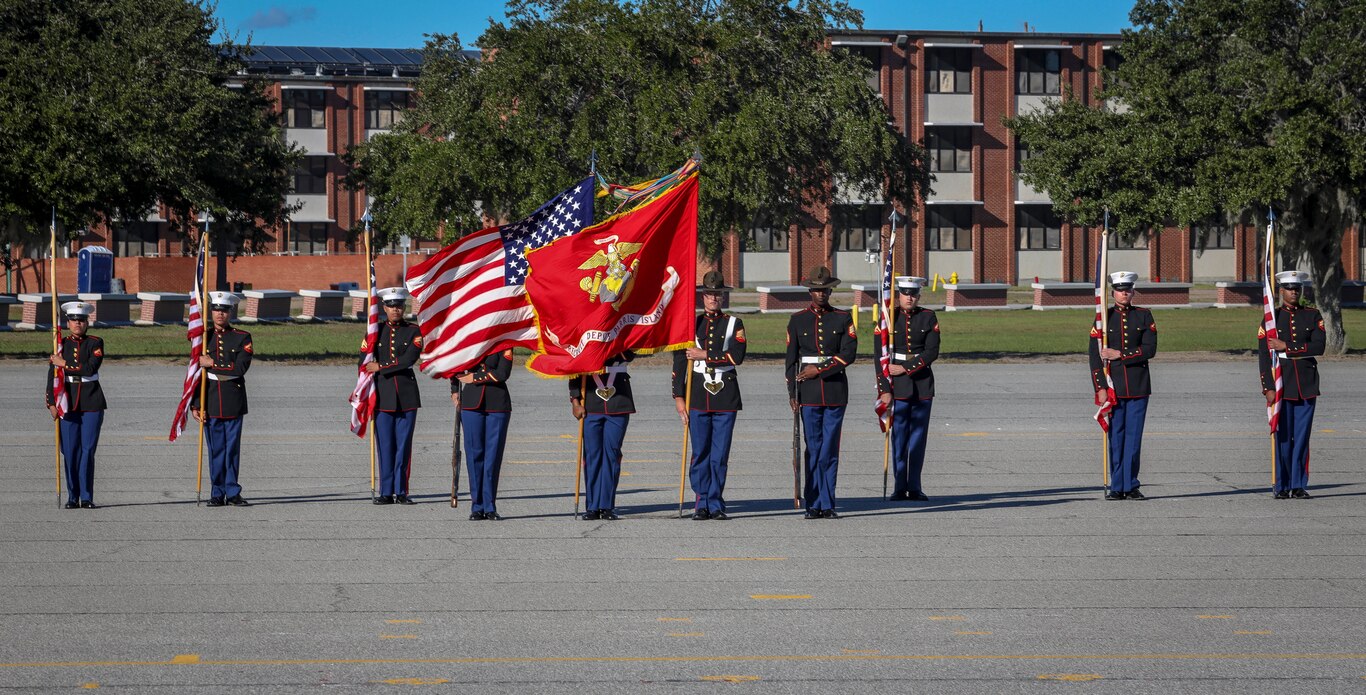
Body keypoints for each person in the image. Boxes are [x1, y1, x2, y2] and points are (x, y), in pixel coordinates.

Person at [672, 271, 746, 520]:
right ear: (703, 296)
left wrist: (706, 355)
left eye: (718, 293)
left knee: (719, 452)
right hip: (697, 394)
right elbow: (679, 363)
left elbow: (738, 356)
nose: (714, 298)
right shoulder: (690, 324)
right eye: (710, 293)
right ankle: (701, 501)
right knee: (700, 451)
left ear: (723, 296)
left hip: (725, 394)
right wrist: (678, 396)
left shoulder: (735, 323)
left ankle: (716, 501)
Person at [785, 266, 857, 519]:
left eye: (825, 289)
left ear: (830, 290)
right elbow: (791, 361)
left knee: (830, 450)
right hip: (809, 393)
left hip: (835, 391)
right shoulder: (797, 320)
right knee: (813, 448)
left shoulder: (843, 318)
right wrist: (792, 393)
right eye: (817, 290)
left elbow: (849, 354)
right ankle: (813, 503)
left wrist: (821, 369)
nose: (821, 294)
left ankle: (828, 503)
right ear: (810, 291)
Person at [1089, 271, 1157, 501]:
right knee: (1116, 437)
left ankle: (1132, 484)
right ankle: (1118, 486)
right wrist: (1099, 387)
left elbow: (1150, 349)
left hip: (1138, 386)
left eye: (1128, 289)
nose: (1124, 293)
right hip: (1113, 387)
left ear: (1133, 292)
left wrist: (1120, 354)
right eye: (1120, 290)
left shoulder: (1144, 316)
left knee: (1133, 438)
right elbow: (1094, 357)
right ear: (1113, 293)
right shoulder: (1104, 319)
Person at [1259, 270, 1326, 499]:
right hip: (1282, 383)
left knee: (1302, 437)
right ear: (1281, 291)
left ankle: (1298, 484)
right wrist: (1267, 387)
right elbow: (1263, 356)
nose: (1293, 292)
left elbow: (1319, 346)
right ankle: (1281, 485)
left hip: (1306, 384)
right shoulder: (1272, 318)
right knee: (1283, 437)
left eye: (1297, 288)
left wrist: (1286, 346)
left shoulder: (1313, 314)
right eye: (1289, 288)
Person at [875, 276, 940, 501]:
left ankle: (915, 486)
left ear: (918, 296)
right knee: (899, 437)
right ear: (898, 295)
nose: (909, 298)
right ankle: (899, 485)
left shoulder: (928, 317)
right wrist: (884, 388)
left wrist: (904, 368)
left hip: (921, 383)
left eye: (913, 294)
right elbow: (879, 357)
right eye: (904, 293)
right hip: (897, 387)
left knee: (918, 439)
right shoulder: (888, 319)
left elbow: (931, 352)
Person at [191, 292, 253, 507]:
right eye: (216, 310)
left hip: (233, 398)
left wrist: (212, 364)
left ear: (230, 312)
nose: (220, 314)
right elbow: (197, 373)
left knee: (231, 449)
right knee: (215, 449)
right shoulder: (203, 336)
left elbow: (240, 368)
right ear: (211, 312)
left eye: (224, 310)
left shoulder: (242, 337)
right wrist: (196, 404)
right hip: (210, 399)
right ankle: (217, 492)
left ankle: (232, 490)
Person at [46, 301, 107, 509]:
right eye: (73, 320)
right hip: (67, 401)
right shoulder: (60, 345)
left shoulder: (95, 342)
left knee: (88, 450)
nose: (77, 323)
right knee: (70, 451)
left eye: (81, 320)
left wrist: (65, 364)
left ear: (87, 322)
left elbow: (90, 369)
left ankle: (87, 496)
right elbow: (52, 375)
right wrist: (51, 402)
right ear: (68, 322)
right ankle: (73, 496)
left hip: (91, 401)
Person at [365, 287, 422, 505]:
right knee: (385, 446)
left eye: (399, 306)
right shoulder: (374, 331)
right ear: (384, 307)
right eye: (391, 306)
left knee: (403, 446)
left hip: (406, 395)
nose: (395, 310)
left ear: (404, 307)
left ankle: (402, 491)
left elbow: (408, 360)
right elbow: (363, 361)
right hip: (382, 395)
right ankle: (386, 491)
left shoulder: (413, 331)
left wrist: (381, 366)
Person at [570, 351, 635, 520]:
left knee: (611, 455)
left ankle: (606, 505)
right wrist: (575, 401)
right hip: (590, 401)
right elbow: (574, 367)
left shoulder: (621, 333)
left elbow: (629, 355)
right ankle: (592, 506)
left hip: (618, 402)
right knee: (592, 456)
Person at [453, 349, 513, 519]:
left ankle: (490, 505)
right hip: (471, 403)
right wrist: (454, 389)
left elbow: (503, 373)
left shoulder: (504, 343)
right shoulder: (469, 340)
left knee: (493, 457)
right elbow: (455, 364)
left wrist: (474, 378)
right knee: (474, 455)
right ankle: (477, 506)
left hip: (497, 404)